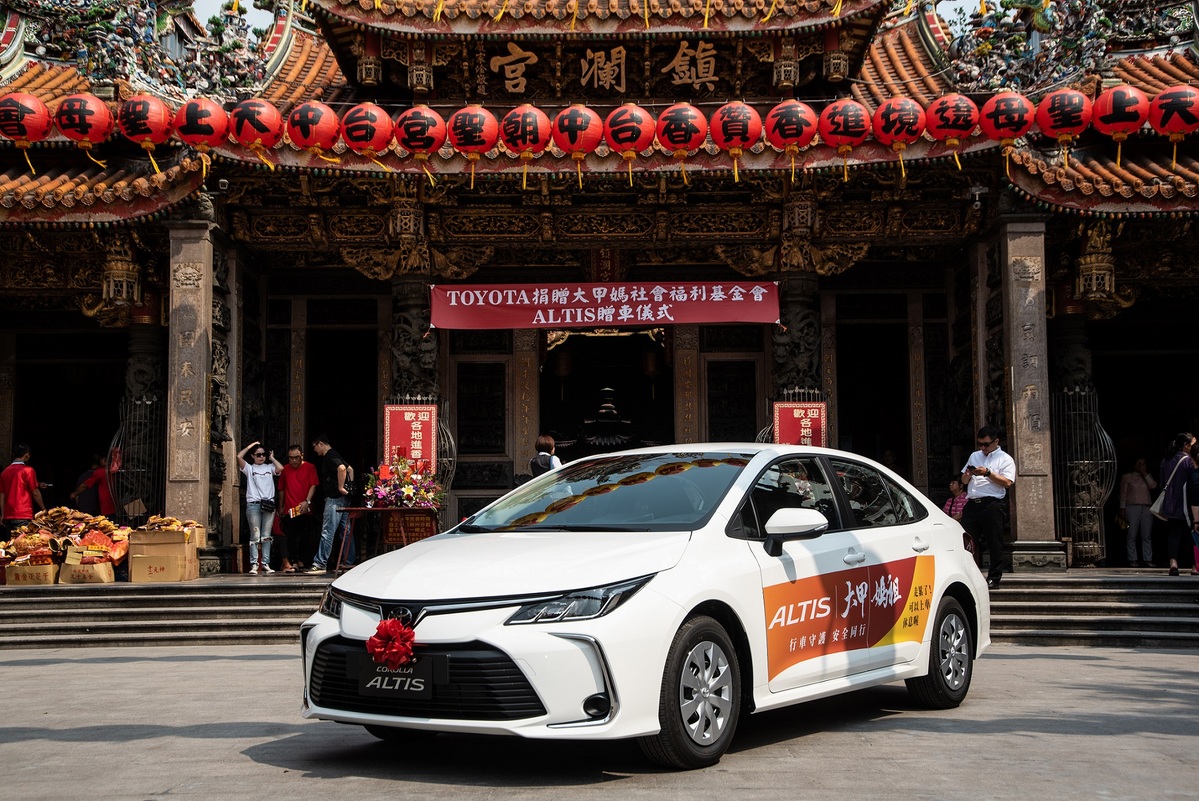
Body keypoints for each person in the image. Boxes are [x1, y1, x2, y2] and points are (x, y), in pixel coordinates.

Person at [960, 426, 1016, 588]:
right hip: (972, 503)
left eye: (986, 444)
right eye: (980, 444)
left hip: (992, 503)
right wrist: (967, 475)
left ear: (996, 442)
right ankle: (969, 575)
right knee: (967, 541)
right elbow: (963, 481)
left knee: (994, 542)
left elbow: (1007, 482)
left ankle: (994, 577)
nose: (983, 448)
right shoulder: (974, 456)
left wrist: (987, 473)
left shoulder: (1005, 459)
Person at [306, 434, 354, 574]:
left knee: (328, 532)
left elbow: (342, 469)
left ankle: (320, 563)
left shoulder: (329, 455)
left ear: (320, 444)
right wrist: (349, 487)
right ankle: (348, 562)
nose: (315, 450)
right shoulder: (335, 454)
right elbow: (350, 469)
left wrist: (341, 487)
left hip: (334, 499)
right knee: (346, 532)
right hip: (344, 499)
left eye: (315, 447)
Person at [237, 440, 282, 575]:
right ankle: (254, 564)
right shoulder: (249, 468)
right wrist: (251, 446)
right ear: (253, 456)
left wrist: (272, 458)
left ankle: (266, 563)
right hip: (254, 504)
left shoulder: (269, 467)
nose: (261, 457)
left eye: (263, 454)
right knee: (255, 536)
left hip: (268, 504)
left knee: (266, 536)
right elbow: (239, 456)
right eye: (258, 455)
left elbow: (280, 469)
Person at [277, 444, 319, 573]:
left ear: (302, 456)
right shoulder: (285, 469)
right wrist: (280, 506)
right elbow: (281, 489)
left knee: (305, 536)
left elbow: (313, 485)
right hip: (290, 508)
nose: (294, 460)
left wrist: (307, 501)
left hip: (304, 508)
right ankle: (293, 561)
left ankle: (302, 560)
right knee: (291, 536)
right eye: (291, 458)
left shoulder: (310, 467)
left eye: (296, 457)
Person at [1158, 432, 1195, 576]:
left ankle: (1173, 562)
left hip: (1170, 503)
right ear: (1186, 445)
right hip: (1186, 502)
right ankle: (1195, 565)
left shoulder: (1165, 460)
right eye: (1192, 445)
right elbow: (1193, 482)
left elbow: (1162, 482)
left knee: (1174, 534)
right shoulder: (1188, 461)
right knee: (1192, 534)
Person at [1118, 457, 1156, 567]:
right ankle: (1132, 559)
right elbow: (1123, 493)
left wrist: (1144, 473)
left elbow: (1153, 485)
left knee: (1146, 535)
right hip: (1132, 507)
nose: (1141, 465)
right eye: (1139, 463)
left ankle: (1147, 559)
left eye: (1144, 463)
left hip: (1146, 507)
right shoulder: (1127, 477)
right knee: (1131, 534)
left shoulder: (1147, 476)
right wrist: (1122, 508)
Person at [0, 443, 45, 534]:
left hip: (8, 516)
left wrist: (2, 514)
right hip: (23, 514)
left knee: (10, 541)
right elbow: (35, 492)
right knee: (23, 541)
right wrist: (43, 508)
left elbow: (2, 495)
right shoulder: (28, 470)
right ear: (27, 455)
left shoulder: (4, 472)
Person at [69, 453, 116, 518]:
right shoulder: (109, 472)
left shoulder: (100, 472)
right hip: (111, 507)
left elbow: (85, 485)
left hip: (105, 509)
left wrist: (74, 494)